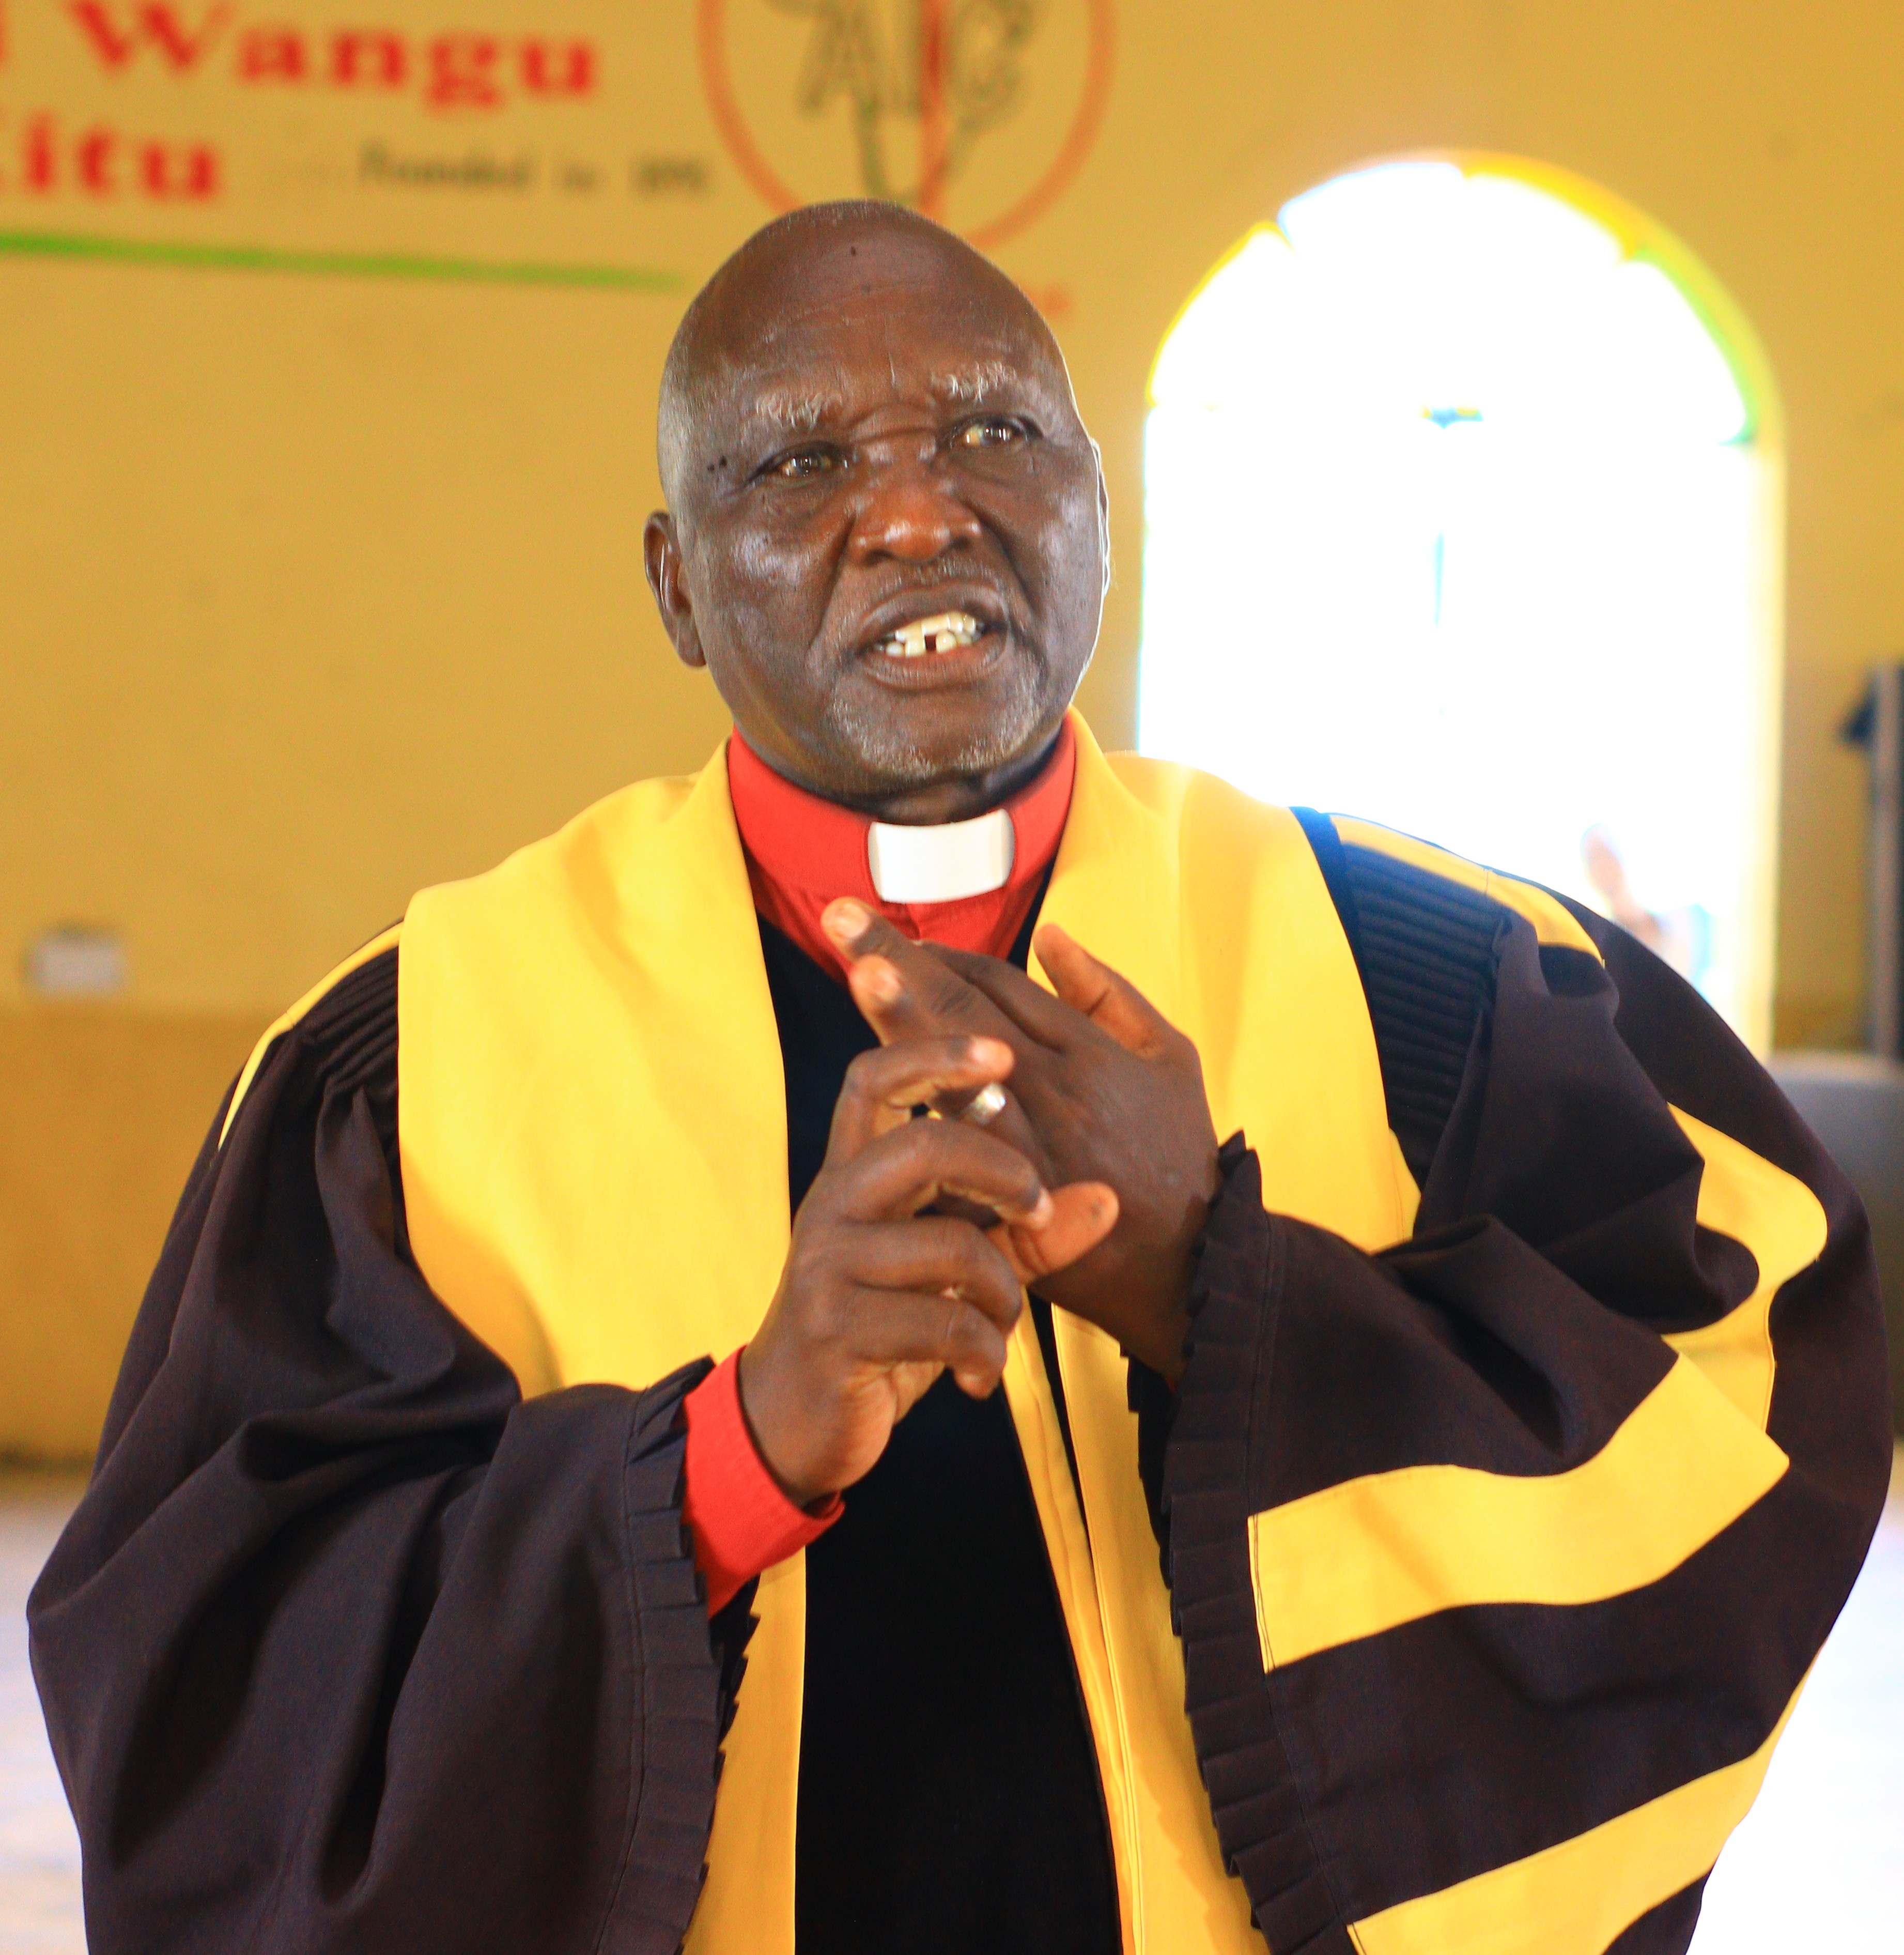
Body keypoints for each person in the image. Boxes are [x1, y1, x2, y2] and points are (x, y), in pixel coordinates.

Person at [30, 201, 1892, 1955]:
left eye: (995, 432)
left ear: (1099, 508)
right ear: (678, 586)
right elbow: (222, 1706)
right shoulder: (414, 1051)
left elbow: (1734, 1449)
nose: (919, 512)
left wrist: (1221, 1292)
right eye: (800, 462)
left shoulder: (1429, 975)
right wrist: (728, 1461)